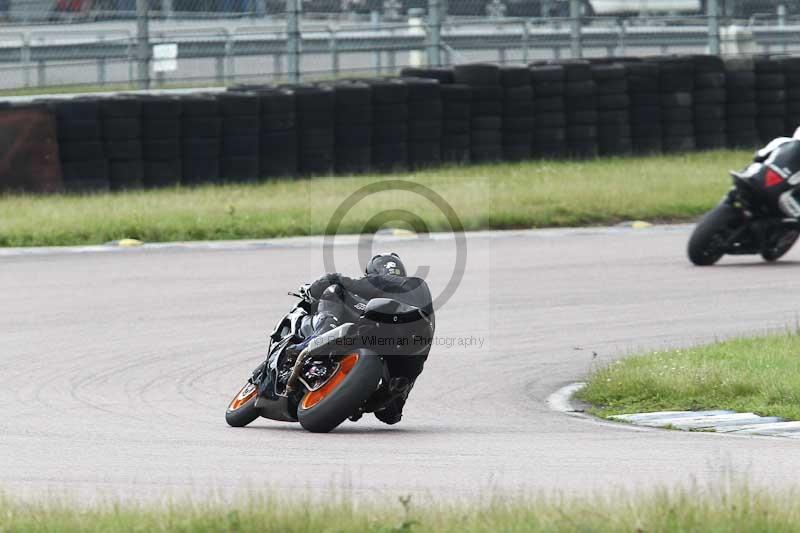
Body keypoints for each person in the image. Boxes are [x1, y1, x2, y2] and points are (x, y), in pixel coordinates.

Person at [287, 253, 434, 425]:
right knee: (391, 412)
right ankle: (381, 395)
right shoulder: (417, 290)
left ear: (374, 272)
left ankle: (312, 341)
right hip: (414, 346)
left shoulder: (385, 283)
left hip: (386, 333)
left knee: (335, 290)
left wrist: (313, 290)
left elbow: (337, 280)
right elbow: (389, 418)